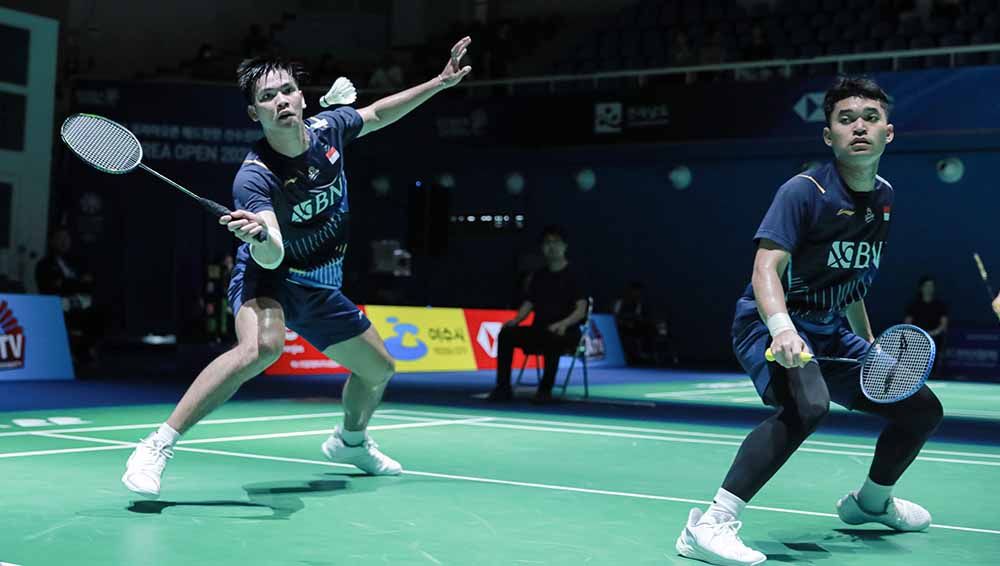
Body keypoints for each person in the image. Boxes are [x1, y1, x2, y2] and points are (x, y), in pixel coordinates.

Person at [121, 38, 474, 498]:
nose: (280, 100)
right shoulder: (255, 176)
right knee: (262, 347)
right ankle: (157, 445)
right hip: (270, 279)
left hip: (321, 284)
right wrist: (261, 237)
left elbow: (379, 113)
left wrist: (439, 83)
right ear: (255, 113)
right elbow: (272, 255)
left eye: (286, 90)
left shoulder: (329, 129)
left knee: (379, 369)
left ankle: (350, 441)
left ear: (302, 98)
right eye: (266, 97)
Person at [675, 77, 943, 565]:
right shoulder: (804, 191)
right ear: (828, 136)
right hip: (769, 323)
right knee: (808, 404)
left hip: (830, 329)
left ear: (889, 133)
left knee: (922, 409)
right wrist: (782, 329)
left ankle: (871, 503)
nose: (858, 126)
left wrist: (870, 347)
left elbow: (855, 281)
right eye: (845, 120)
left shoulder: (883, 197)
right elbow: (764, 269)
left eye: (870, 118)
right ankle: (709, 525)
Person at [488, 225, 587, 403]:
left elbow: (581, 309)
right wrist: (516, 320)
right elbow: (529, 302)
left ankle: (544, 390)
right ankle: (503, 388)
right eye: (547, 243)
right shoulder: (539, 276)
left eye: (556, 242)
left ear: (565, 246)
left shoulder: (575, 274)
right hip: (540, 329)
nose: (551, 246)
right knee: (506, 334)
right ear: (542, 248)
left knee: (552, 338)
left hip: (567, 332)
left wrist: (563, 324)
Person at [904, 276, 948, 375]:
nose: (929, 288)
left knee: (937, 342)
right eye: (926, 286)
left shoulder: (940, 305)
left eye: (931, 286)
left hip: (934, 337)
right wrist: (919, 335)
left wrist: (930, 334)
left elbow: (943, 325)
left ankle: (935, 373)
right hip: (916, 337)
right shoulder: (913, 305)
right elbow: (907, 323)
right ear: (921, 288)